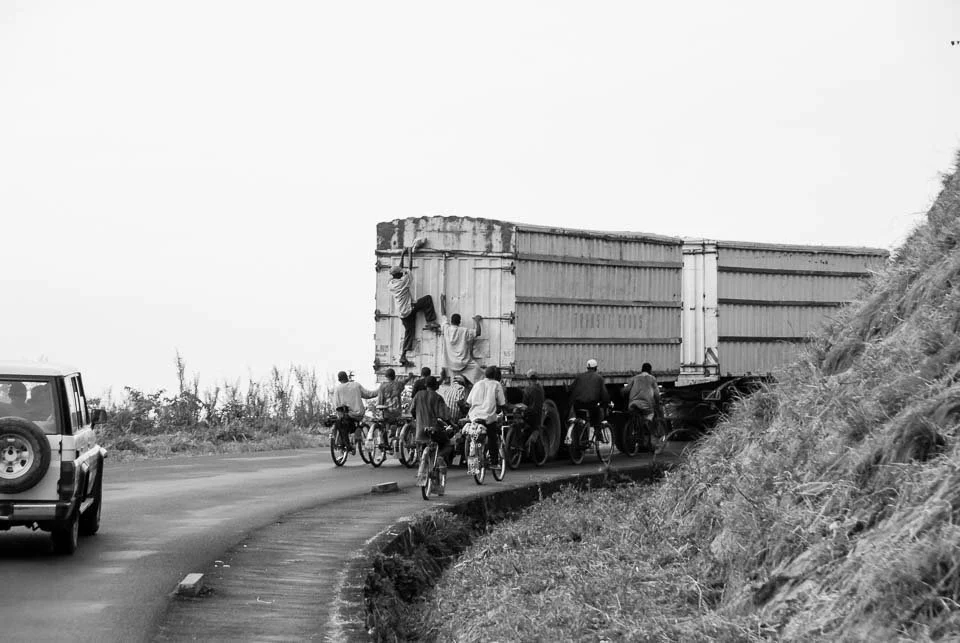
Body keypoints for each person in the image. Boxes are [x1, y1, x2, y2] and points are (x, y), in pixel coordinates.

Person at [388, 239, 440, 366]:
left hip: (402, 314)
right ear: (400, 274)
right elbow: (409, 269)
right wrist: (410, 253)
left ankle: (403, 356)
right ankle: (431, 321)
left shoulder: (391, 284)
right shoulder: (403, 282)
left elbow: (400, 269)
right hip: (409, 309)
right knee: (427, 299)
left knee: (409, 332)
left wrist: (402, 254)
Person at [412, 377, 453, 487]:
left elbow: (412, 411)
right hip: (434, 430)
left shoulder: (418, 395)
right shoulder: (437, 397)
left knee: (421, 449)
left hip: (420, 432)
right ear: (437, 386)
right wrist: (451, 423)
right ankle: (440, 457)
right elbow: (444, 415)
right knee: (448, 444)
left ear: (425, 385)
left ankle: (423, 461)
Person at [466, 365, 507, 465]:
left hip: (474, 416)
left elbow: (469, 401)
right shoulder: (496, 384)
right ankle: (494, 462)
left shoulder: (477, 384)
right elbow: (502, 403)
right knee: (492, 437)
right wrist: (504, 410)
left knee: (473, 440)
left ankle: (473, 467)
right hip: (488, 417)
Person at [332, 371, 378, 454]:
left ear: (339, 380)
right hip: (358, 415)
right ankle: (358, 438)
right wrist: (379, 391)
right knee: (360, 425)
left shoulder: (337, 389)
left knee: (341, 425)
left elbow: (336, 405)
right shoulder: (356, 385)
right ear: (347, 378)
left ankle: (342, 447)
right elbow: (368, 394)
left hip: (345, 416)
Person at [440, 313, 484, 384]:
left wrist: (442, 301)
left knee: (455, 383)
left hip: (451, 364)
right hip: (464, 363)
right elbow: (478, 332)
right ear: (460, 322)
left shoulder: (446, 329)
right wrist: (477, 321)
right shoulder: (464, 331)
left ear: (451, 321)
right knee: (481, 377)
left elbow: (443, 315)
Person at [568, 358, 610, 429]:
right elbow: (604, 395)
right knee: (596, 420)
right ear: (596, 368)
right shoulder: (599, 378)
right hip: (591, 405)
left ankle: (581, 431)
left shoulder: (580, 377)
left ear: (587, 368)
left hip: (578, 405)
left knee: (580, 419)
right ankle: (596, 434)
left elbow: (571, 389)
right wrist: (606, 403)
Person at [521, 369, 545, 436]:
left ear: (529, 379)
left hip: (530, 415)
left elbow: (524, 404)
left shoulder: (527, 389)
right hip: (539, 414)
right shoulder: (541, 388)